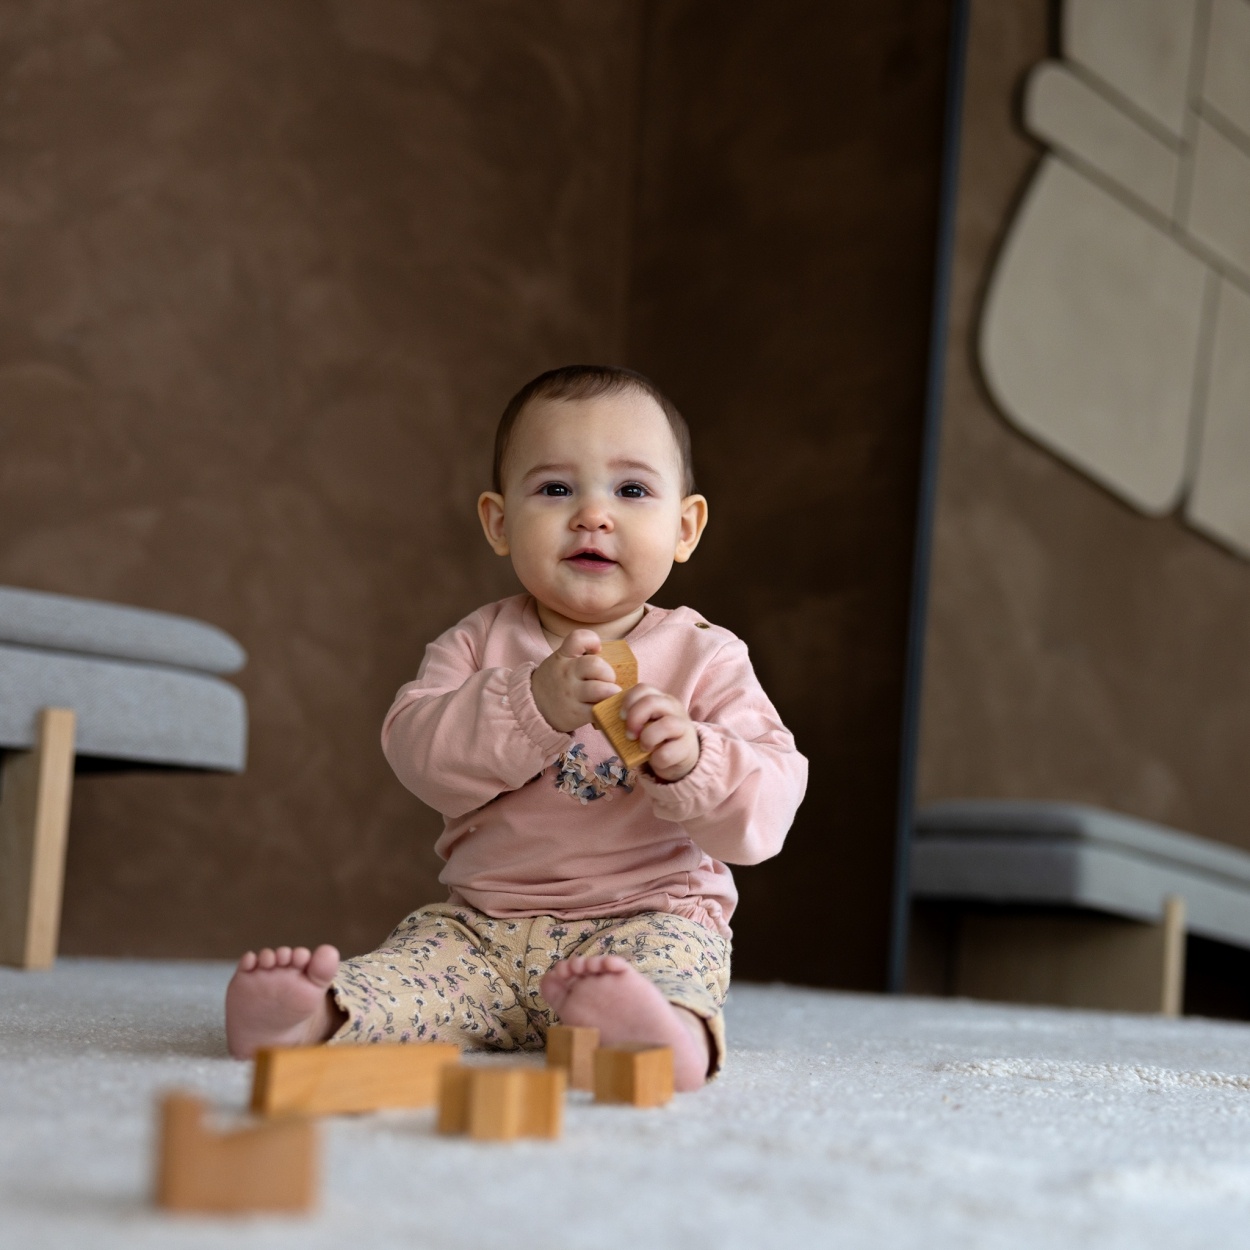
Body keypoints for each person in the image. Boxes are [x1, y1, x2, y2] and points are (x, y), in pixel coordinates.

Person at [225, 365, 807, 1090]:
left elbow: (765, 817)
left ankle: (658, 1034)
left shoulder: (706, 657)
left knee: (670, 967)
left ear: (684, 527)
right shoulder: (475, 644)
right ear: (499, 523)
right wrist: (531, 706)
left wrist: (695, 760)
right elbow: (417, 754)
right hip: (482, 929)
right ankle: (312, 1017)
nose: (593, 515)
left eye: (631, 490)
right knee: (408, 973)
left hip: (645, 919)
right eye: (556, 489)